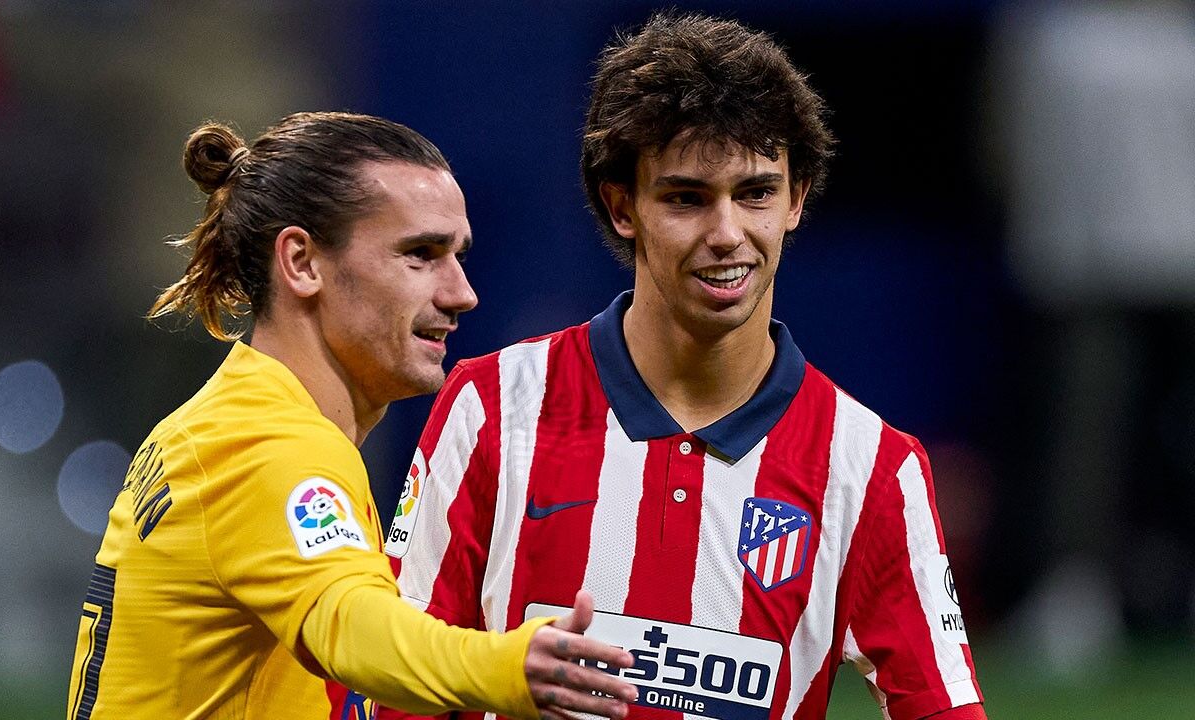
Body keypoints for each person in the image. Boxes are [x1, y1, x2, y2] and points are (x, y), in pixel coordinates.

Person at [372, 13, 985, 720]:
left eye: (755, 193)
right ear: (622, 206)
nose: (727, 234)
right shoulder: (492, 408)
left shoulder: (871, 467)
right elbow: (399, 684)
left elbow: (943, 708)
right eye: (687, 198)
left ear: (796, 199)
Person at [65, 112, 638, 719]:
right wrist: (504, 667)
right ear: (302, 262)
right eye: (420, 254)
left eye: (458, 256)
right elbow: (351, 626)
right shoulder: (271, 447)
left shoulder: (234, 421)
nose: (462, 293)